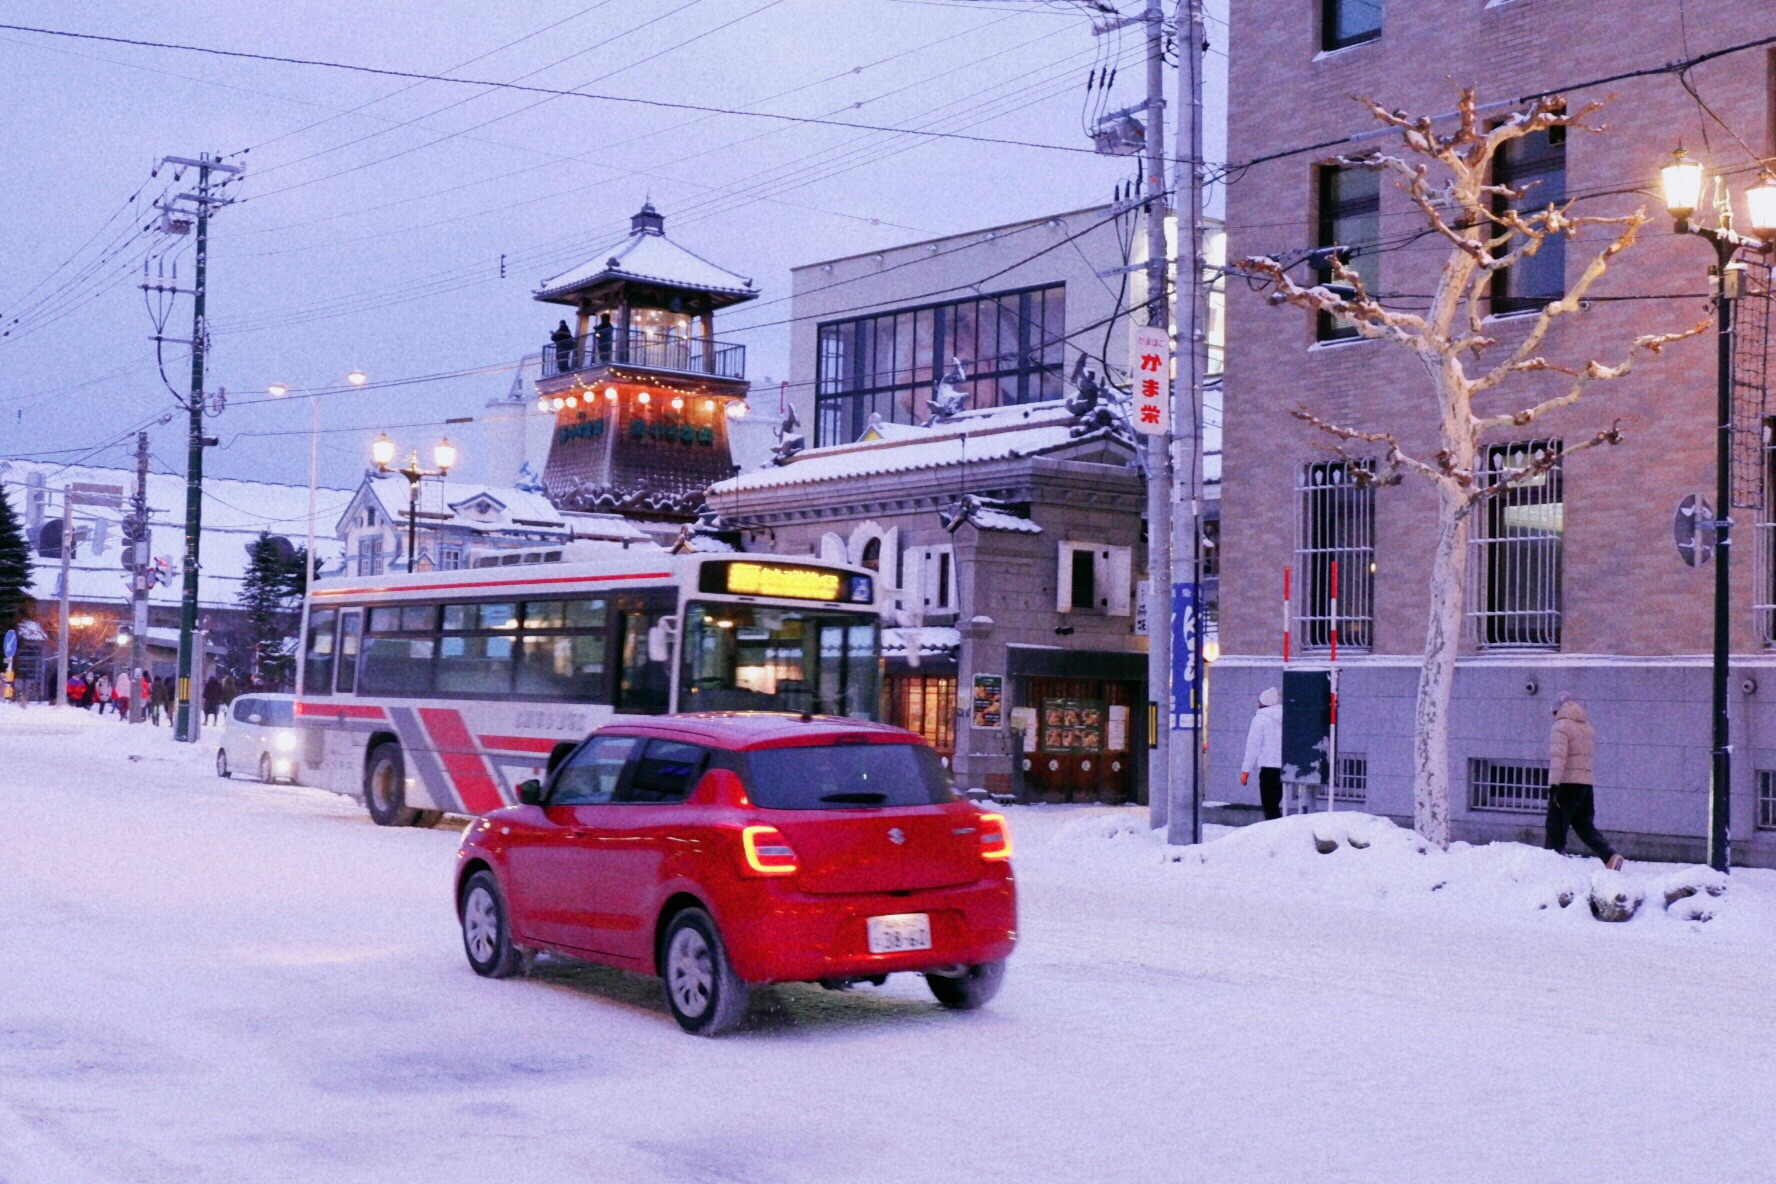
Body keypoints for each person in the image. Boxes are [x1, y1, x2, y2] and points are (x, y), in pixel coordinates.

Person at [1546, 693, 1624, 870]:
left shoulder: (1561, 726)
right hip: (1585, 784)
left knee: (1555, 825)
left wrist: (1553, 786)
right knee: (1583, 825)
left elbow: (1558, 758)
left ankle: (1551, 867)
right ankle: (1609, 856)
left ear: (1557, 710)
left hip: (1566, 784)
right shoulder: (1586, 727)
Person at [1240, 686, 1285, 821]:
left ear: (1262, 702)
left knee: (1269, 805)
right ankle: (1278, 829)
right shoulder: (1285, 717)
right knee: (1275, 803)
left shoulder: (1260, 720)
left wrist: (1245, 770)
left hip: (1268, 768)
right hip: (1283, 767)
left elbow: (1253, 746)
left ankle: (1274, 834)